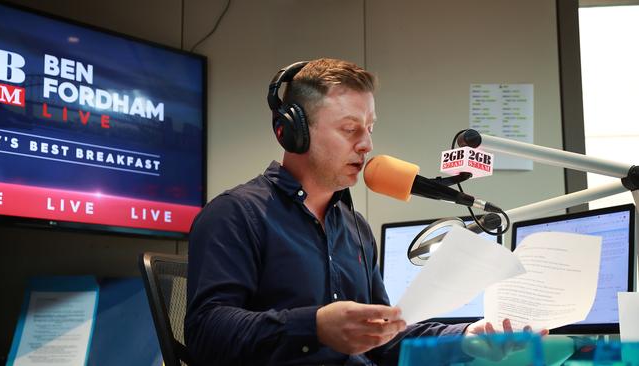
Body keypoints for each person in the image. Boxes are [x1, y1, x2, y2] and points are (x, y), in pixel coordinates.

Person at [185, 58, 535, 365]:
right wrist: (316, 328)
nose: (367, 144)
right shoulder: (234, 215)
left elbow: (384, 339)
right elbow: (206, 334)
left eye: (369, 129)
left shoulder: (355, 228)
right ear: (293, 132)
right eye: (350, 129)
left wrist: (466, 337)